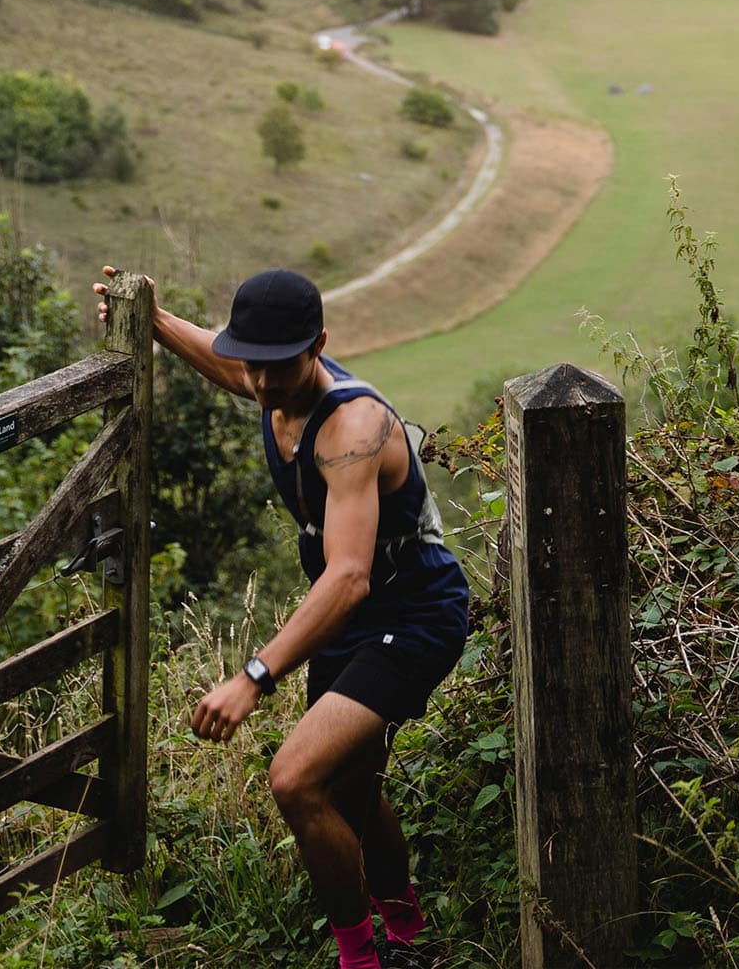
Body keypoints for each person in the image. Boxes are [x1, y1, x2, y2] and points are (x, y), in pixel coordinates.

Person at [93, 267, 469, 969]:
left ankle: (363, 960)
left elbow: (350, 577)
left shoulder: (352, 427)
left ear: (319, 346)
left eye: (277, 367)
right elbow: (225, 360)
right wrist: (149, 314)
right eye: (252, 364)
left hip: (412, 612)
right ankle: (409, 932)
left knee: (296, 780)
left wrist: (254, 675)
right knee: (352, 786)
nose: (259, 384)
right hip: (351, 622)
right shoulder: (272, 380)